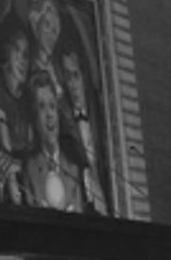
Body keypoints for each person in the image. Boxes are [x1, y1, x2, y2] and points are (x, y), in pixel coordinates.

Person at [0, 11, 34, 204]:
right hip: (1, 183)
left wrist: (21, 165)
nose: (23, 60)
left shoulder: (29, 96)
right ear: (6, 51)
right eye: (17, 51)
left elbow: (34, 150)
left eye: (26, 55)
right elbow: (4, 149)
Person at [23, 69, 89, 212]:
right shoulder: (29, 168)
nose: (49, 115)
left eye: (52, 106)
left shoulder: (73, 167)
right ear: (34, 117)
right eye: (42, 107)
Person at [56, 46, 110, 215]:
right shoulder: (62, 122)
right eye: (67, 77)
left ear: (84, 76)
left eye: (75, 75)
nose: (72, 84)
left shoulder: (103, 114)